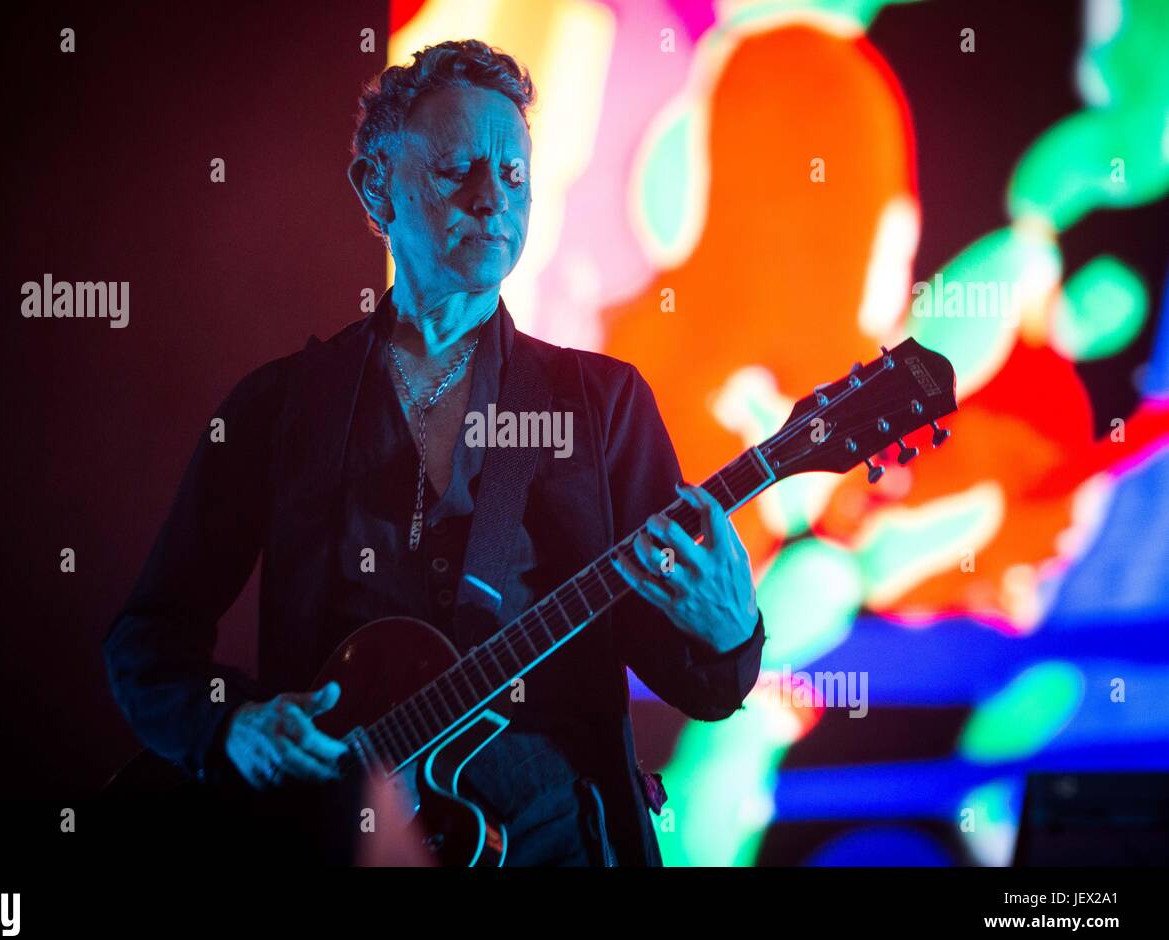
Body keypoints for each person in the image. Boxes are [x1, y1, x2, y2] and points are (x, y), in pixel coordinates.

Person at [104, 38, 766, 866]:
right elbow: (148, 638)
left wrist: (731, 632)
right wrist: (228, 723)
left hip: (543, 838)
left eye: (515, 176)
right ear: (375, 187)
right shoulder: (280, 406)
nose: (493, 200)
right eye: (457, 169)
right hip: (331, 834)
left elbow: (699, 684)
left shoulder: (602, 404)